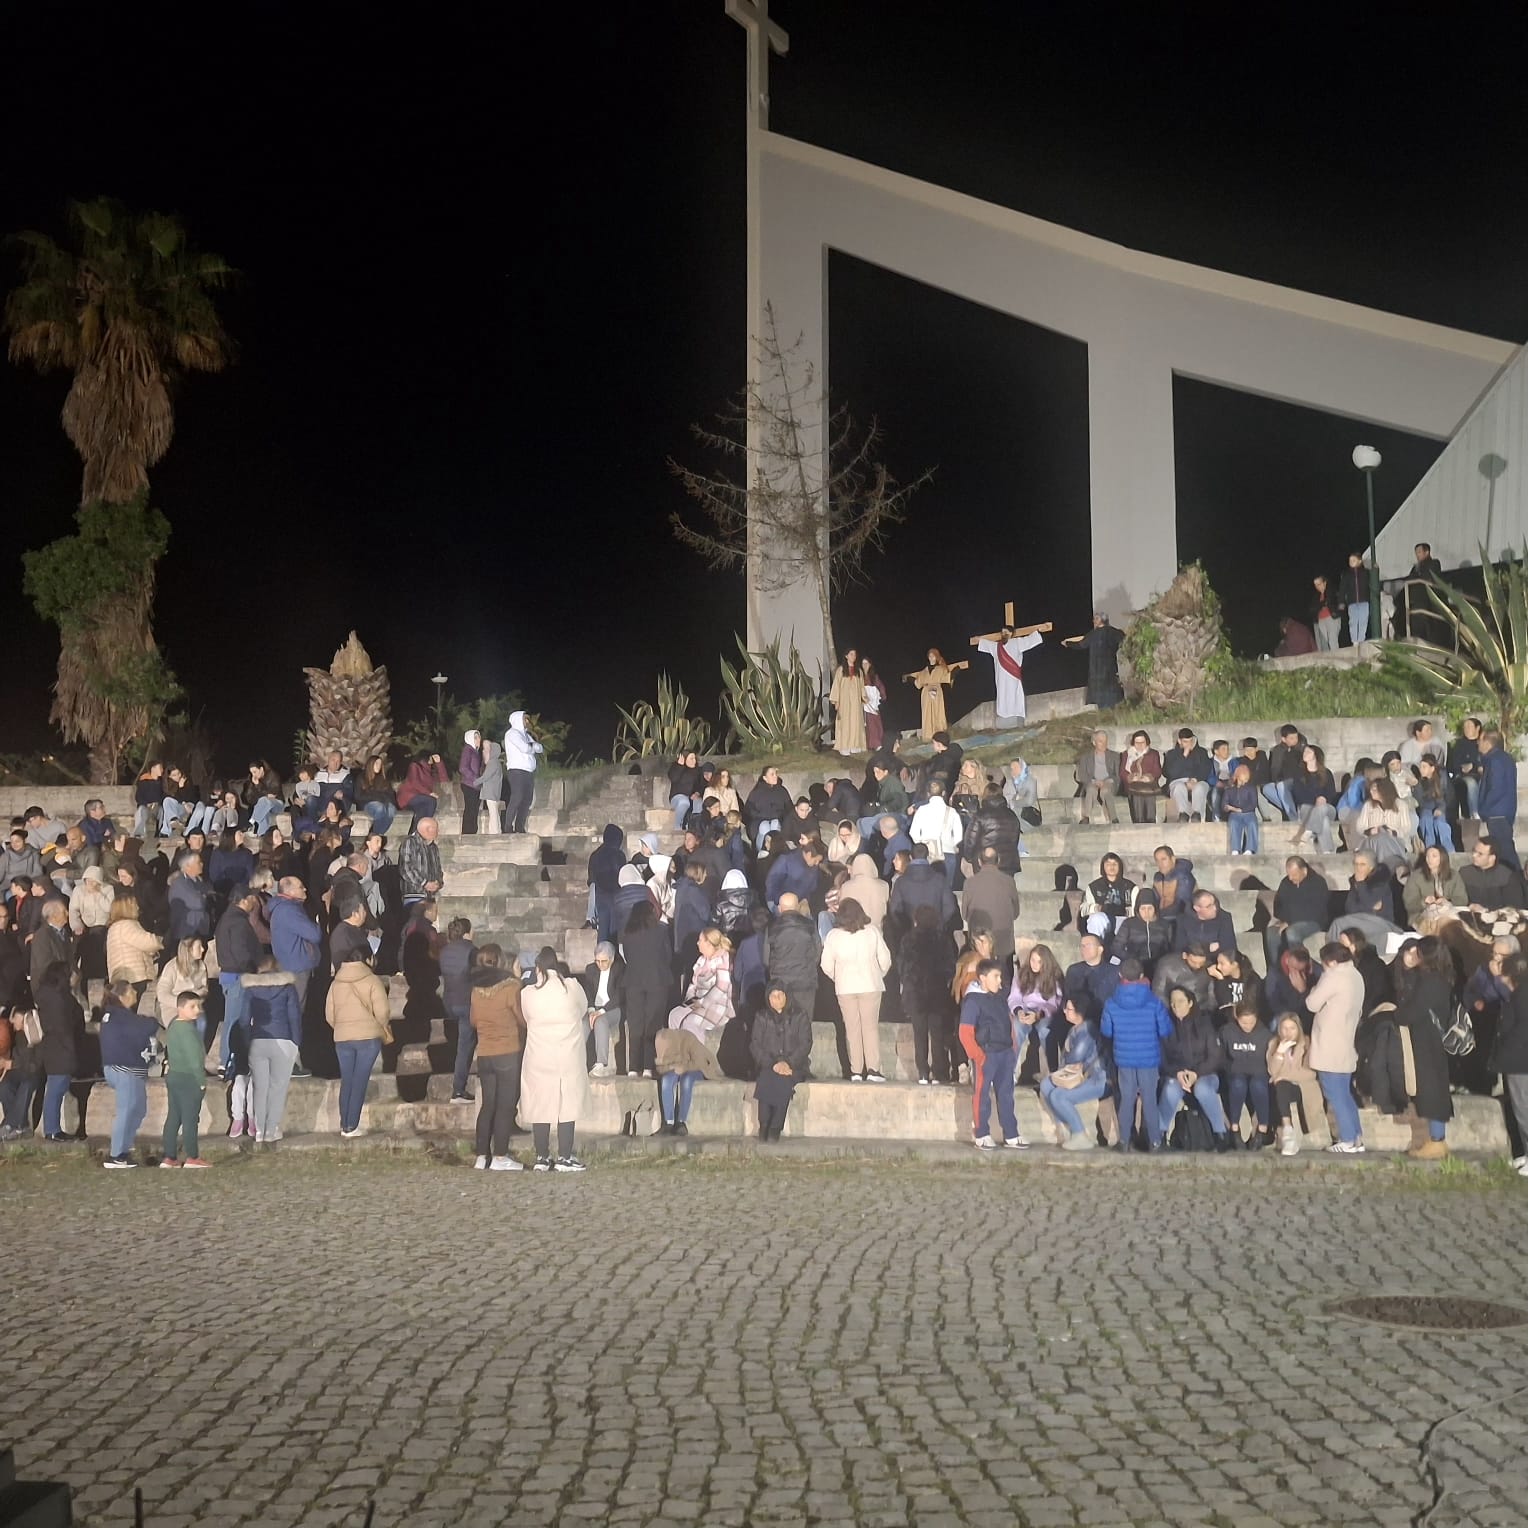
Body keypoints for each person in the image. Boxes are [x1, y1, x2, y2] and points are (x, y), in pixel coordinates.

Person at [520, 949, 590, 1171]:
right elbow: (583, 1008)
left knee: (540, 1103)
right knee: (566, 1105)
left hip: (539, 1055)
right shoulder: (571, 988)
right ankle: (565, 1156)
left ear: (538, 968)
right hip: (567, 1054)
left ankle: (541, 1156)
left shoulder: (528, 993)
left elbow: (526, 1017)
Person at [1387, 936, 1455, 1160]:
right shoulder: (1439, 977)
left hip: (1427, 1041)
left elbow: (1411, 1012)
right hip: (1429, 1040)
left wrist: (1396, 1014)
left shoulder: (1430, 981)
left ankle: (1437, 1140)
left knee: (1432, 1089)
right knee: (1432, 1087)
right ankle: (1436, 1139)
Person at [1100, 958, 1172, 1153]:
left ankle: (1124, 1141)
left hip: (1124, 1058)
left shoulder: (1111, 1003)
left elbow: (1106, 1031)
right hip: (1149, 1059)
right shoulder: (1154, 1001)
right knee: (1149, 1100)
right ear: (1142, 976)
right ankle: (1155, 1142)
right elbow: (1165, 1030)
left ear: (1120, 976)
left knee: (1127, 1098)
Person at [468, 945, 526, 1171]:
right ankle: (500, 1155)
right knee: (504, 1105)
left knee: (488, 1104)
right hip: (507, 1051)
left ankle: (482, 1155)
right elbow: (522, 1019)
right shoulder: (511, 987)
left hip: (484, 1053)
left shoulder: (475, 990)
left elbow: (473, 1020)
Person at [820, 899, 892, 1082]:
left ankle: (856, 1071)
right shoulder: (872, 932)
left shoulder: (834, 936)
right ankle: (873, 1069)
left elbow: (826, 965)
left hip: (845, 988)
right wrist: (878, 973)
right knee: (870, 1028)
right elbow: (885, 959)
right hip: (870, 985)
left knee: (851, 1029)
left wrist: (839, 978)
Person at [960, 958, 1023, 1149]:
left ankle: (1011, 1134)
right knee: (982, 1094)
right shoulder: (972, 1001)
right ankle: (981, 1133)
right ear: (982, 978)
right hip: (986, 1054)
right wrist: (978, 1056)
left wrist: (1012, 1049)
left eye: (1000, 977)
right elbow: (965, 1032)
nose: (999, 981)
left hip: (1004, 1053)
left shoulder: (999, 998)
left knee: (1006, 1094)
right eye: (995, 976)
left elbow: (1009, 1023)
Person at [1156, 986, 1230, 1149]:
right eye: (1173, 1002)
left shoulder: (1205, 1024)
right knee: (1170, 1089)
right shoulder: (1166, 1026)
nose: (1176, 1006)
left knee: (1203, 1089)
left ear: (1190, 1003)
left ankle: (1220, 1133)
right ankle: (1159, 1135)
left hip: (1205, 1074)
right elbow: (1162, 1058)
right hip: (1176, 1075)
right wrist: (1177, 1073)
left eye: (1181, 1001)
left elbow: (1214, 1056)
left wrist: (1196, 1073)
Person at [1308, 943, 1365, 1152]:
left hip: (1329, 1041)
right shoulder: (1356, 975)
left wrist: (1315, 987)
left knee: (1334, 1092)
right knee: (1344, 1092)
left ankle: (1347, 1139)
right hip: (1346, 1039)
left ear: (1331, 962)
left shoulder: (1332, 976)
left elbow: (1312, 1003)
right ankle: (1356, 1137)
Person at [325, 955, 390, 1138]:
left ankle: (345, 1123)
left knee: (347, 1080)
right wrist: (380, 1025)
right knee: (360, 1081)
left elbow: (329, 1014)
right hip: (368, 1037)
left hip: (342, 1038)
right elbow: (383, 1011)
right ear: (367, 959)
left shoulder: (335, 983)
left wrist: (341, 1027)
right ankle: (352, 1125)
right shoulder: (372, 980)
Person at [99, 978, 159, 1167]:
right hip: (125, 1069)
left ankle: (123, 1150)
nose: (135, 993)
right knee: (126, 1111)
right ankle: (116, 1154)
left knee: (137, 1109)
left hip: (126, 1069)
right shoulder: (118, 1016)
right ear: (123, 996)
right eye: (132, 991)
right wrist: (152, 1021)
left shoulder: (115, 1015)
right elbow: (147, 1026)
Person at [1038, 996, 1108, 1150]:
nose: (1064, 1012)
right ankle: (1062, 1124)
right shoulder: (1075, 1028)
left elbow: (1075, 1056)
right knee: (1046, 1084)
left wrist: (1073, 1060)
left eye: (1069, 1009)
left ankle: (1080, 1134)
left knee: (1058, 1095)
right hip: (1076, 1074)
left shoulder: (1087, 1030)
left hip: (1097, 1078)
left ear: (1080, 1012)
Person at [751, 981, 812, 1140]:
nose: (776, 999)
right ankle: (764, 1124)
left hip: (794, 1065)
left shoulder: (800, 1016)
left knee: (784, 1080)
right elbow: (755, 1045)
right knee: (766, 1078)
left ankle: (775, 1127)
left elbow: (805, 1044)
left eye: (780, 995)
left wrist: (788, 1063)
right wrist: (773, 1064)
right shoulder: (761, 1016)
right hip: (768, 1064)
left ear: (786, 996)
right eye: (773, 995)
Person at [618, 901, 672, 1079]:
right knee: (652, 1024)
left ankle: (633, 1067)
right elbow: (668, 955)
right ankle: (649, 1067)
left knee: (635, 1024)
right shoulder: (662, 930)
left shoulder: (626, 933)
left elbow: (626, 956)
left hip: (633, 981)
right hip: (657, 980)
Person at [160, 990, 209, 1168]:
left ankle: (169, 1157)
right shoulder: (188, 1029)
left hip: (174, 1075)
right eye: (192, 1006)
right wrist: (202, 1082)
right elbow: (195, 1059)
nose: (197, 1010)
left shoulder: (173, 1026)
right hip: (189, 1078)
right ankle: (192, 1157)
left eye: (198, 1006)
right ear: (180, 1008)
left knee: (174, 1116)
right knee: (190, 1118)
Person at [1222, 1001, 1274, 1148]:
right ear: (1237, 1018)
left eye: (1252, 1022)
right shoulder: (1227, 1032)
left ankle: (1262, 1129)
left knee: (1258, 1086)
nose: (1248, 1026)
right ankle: (1234, 1128)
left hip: (1259, 1072)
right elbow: (1222, 1057)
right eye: (1244, 1023)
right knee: (1238, 1085)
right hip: (1236, 1071)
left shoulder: (1265, 1034)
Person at [1267, 1013, 1320, 1155]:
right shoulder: (1274, 1044)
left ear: (1298, 1029)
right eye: (1284, 1028)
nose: (1288, 1032)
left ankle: (1287, 1134)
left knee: (1281, 1084)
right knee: (1280, 1086)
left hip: (1303, 1087)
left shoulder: (1307, 1043)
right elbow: (1272, 1071)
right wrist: (1279, 1053)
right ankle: (1288, 1131)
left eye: (1292, 1028)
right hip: (1282, 1088)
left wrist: (1284, 1075)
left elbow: (1310, 1073)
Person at [962, 847, 1021, 972]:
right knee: (1004, 974)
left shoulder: (970, 883)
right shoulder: (1009, 881)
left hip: (980, 940)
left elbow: (965, 914)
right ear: (998, 861)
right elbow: (1016, 912)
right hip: (1003, 940)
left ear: (979, 861)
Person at [439, 916, 478, 1103]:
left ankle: (459, 1087)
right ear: (467, 932)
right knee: (465, 1046)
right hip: (466, 1002)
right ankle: (458, 1090)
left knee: (461, 1043)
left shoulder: (445, 950)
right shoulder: (472, 950)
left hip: (448, 1001)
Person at [1264, 856, 1330, 968]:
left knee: (1292, 932)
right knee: (1271, 932)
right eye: (1289, 874)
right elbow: (1278, 905)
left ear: (1304, 870)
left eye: (1294, 875)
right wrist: (1284, 920)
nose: (1290, 878)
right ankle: (1277, 968)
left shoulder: (1318, 883)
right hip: (1289, 921)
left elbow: (1316, 910)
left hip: (1313, 922)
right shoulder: (1286, 883)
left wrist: (1290, 921)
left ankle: (1300, 966)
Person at [1495, 955, 1528, 1175]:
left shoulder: (1521, 995)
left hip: (1519, 1061)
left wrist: (1505, 1049)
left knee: (1523, 1109)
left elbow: (1521, 1029)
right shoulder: (1517, 993)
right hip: (1517, 1060)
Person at [976, 624, 1045, 724]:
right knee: (1002, 695)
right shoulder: (996, 646)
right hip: (1001, 678)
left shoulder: (1017, 642)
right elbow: (984, 643)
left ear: (1011, 634)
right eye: (1002, 632)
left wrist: (1038, 631)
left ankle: (1016, 715)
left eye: (1006, 632)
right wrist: (978, 639)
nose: (1004, 634)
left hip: (1013, 675)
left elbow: (1029, 640)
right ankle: (1003, 717)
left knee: (1014, 694)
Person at [1477, 729, 1521, 873]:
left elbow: (1495, 787)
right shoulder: (1504, 758)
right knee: (1504, 850)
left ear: (1488, 742)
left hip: (1497, 812)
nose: (1478, 742)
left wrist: (1484, 808)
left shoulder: (1495, 760)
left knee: (1505, 851)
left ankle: (1519, 882)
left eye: (1480, 739)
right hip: (1503, 811)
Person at [1061, 612, 1125, 708]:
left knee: (1101, 695)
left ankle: (1106, 715)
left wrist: (1067, 643)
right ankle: (1114, 713)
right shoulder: (1114, 632)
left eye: (1096, 618)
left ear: (1101, 620)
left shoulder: (1093, 634)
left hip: (1097, 670)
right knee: (1112, 692)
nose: (1093, 621)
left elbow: (1081, 644)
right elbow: (1124, 639)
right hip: (1111, 668)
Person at [1354, 776, 1414, 872]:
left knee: (1384, 837)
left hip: (1394, 841)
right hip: (1372, 842)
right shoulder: (1368, 805)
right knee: (1380, 837)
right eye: (1371, 789)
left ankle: (1382, 869)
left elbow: (1406, 828)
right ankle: (1386, 869)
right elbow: (1360, 827)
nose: (1371, 791)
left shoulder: (1401, 805)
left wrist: (1393, 832)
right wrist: (1369, 831)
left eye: (1375, 789)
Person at [1290, 745, 1339, 853]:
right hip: (1307, 808)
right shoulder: (1299, 774)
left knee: (1323, 808)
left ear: (1316, 755)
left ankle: (1309, 830)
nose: (1305, 754)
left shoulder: (1326, 773)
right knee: (1324, 820)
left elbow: (1331, 793)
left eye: (1308, 752)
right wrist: (1315, 801)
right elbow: (1298, 794)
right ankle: (1327, 852)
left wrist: (1323, 798)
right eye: (1304, 752)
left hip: (1327, 808)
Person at [1403, 845, 1468, 924]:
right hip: (1422, 917)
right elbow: (1409, 903)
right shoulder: (1416, 877)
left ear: (1442, 858)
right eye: (1427, 856)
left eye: (1434, 856)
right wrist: (1424, 902)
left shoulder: (1453, 875)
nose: (1429, 859)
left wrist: (1448, 901)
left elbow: (1463, 899)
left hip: (1449, 913)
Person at [502, 710, 544, 833]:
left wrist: (533, 747)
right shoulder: (512, 733)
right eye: (524, 719)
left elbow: (540, 748)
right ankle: (508, 827)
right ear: (518, 720)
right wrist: (533, 747)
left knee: (527, 799)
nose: (527, 721)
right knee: (517, 797)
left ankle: (519, 827)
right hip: (517, 771)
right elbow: (525, 748)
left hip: (528, 771)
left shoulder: (526, 735)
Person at [1461, 835, 1526, 912]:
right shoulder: (1464, 872)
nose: (1474, 855)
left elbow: (1514, 907)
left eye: (1480, 854)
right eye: (1474, 851)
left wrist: (1487, 910)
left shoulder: (1507, 876)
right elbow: (1459, 899)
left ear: (1492, 858)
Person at [1164, 728, 1213, 822]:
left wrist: (1195, 779)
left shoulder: (1201, 752)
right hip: (1178, 781)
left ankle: (1197, 814)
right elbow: (1171, 772)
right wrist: (1184, 755)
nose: (1189, 744)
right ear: (1179, 741)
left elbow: (1205, 769)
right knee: (1179, 787)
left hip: (1198, 780)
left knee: (1199, 788)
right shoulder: (1171, 754)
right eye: (1185, 742)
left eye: (1191, 741)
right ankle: (1183, 814)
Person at [908, 650, 959, 740]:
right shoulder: (924, 671)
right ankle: (928, 735)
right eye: (930, 656)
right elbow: (918, 683)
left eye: (933, 656)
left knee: (938, 712)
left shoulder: (940, 669)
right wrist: (910, 678)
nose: (931, 658)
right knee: (927, 713)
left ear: (936, 657)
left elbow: (947, 677)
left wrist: (956, 670)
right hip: (926, 694)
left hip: (937, 692)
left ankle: (940, 733)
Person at [399, 817, 445, 909]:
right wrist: (424, 883)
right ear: (427, 830)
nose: (438, 831)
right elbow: (406, 869)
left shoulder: (433, 847)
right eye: (435, 828)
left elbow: (438, 868)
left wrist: (438, 883)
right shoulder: (410, 842)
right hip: (414, 894)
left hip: (430, 895)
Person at [744, 766, 792, 852]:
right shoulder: (756, 792)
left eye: (776, 774)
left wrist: (781, 816)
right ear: (765, 778)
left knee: (775, 824)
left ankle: (776, 851)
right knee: (764, 826)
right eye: (772, 774)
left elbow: (789, 808)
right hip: (759, 821)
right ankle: (761, 852)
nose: (775, 776)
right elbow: (748, 810)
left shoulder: (782, 791)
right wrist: (760, 816)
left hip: (778, 819)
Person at [1175, 891, 1236, 957]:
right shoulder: (1183, 920)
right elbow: (1180, 948)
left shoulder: (1224, 918)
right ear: (1197, 908)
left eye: (1214, 904)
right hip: (1192, 961)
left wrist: (1195, 948)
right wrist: (1207, 947)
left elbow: (1229, 948)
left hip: (1216, 961)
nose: (1215, 908)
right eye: (1209, 906)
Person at [1120, 731, 1163, 824]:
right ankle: (1139, 822)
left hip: (1149, 785)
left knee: (1148, 795)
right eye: (1137, 743)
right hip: (1132, 785)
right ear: (1133, 743)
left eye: (1142, 742)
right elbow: (1122, 772)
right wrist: (1131, 777)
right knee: (1137, 794)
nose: (1140, 745)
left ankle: (1151, 821)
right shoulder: (1127, 754)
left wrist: (1148, 777)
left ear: (1147, 742)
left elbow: (1157, 771)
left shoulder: (1153, 754)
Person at [829, 650, 866, 755]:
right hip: (844, 702)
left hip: (855, 702)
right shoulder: (841, 670)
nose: (853, 656)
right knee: (844, 723)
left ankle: (855, 745)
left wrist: (864, 698)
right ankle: (844, 746)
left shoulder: (858, 671)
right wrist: (836, 701)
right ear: (846, 656)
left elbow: (862, 687)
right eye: (851, 654)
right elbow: (836, 686)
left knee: (855, 722)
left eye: (855, 654)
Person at [1448, 717, 1484, 821]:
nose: (1466, 729)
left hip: (1480, 774)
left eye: (1469, 726)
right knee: (1471, 783)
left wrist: (1474, 765)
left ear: (1477, 728)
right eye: (1465, 727)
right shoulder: (1459, 744)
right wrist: (1462, 768)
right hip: (1463, 776)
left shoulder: (1482, 742)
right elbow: (1453, 763)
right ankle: (1474, 813)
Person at [1224, 762, 1260, 857]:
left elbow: (1253, 804)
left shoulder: (1251, 788)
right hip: (1234, 814)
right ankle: (1235, 849)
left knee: (1252, 823)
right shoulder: (1229, 789)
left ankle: (1250, 849)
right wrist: (1227, 808)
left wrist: (1241, 810)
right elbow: (1224, 803)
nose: (1244, 781)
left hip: (1248, 813)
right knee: (1234, 823)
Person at [1341, 550, 1371, 645]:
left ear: (1360, 561)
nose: (1351, 562)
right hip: (1352, 602)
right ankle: (1354, 641)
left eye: (1353, 560)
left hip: (1364, 601)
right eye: (1350, 560)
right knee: (1353, 622)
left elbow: (1371, 585)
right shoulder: (1346, 574)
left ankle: (1361, 640)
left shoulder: (1366, 573)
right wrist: (1341, 601)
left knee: (1363, 621)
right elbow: (1342, 588)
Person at [1309, 574, 1342, 651]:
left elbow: (1336, 602)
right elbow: (1312, 608)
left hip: (1331, 618)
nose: (1317, 586)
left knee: (1332, 640)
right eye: (1315, 585)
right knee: (1325, 641)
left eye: (1319, 584)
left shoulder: (1332, 591)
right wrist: (1322, 604)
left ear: (1325, 583)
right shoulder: (1316, 596)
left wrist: (1323, 604)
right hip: (1321, 620)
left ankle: (1336, 658)